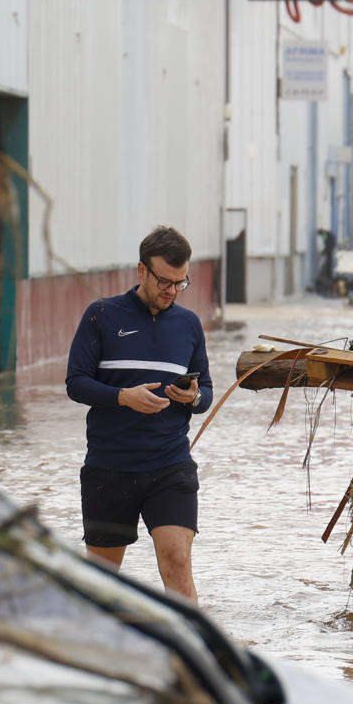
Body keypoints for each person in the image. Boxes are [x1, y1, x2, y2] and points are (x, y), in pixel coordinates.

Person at [65, 227, 213, 603]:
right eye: (164, 281)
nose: (171, 290)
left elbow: (206, 393)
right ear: (140, 271)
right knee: (102, 582)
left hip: (170, 465)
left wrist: (192, 396)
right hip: (109, 468)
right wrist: (122, 397)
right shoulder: (100, 315)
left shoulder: (189, 325)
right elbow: (76, 383)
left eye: (180, 283)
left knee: (177, 562)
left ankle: (189, 657)